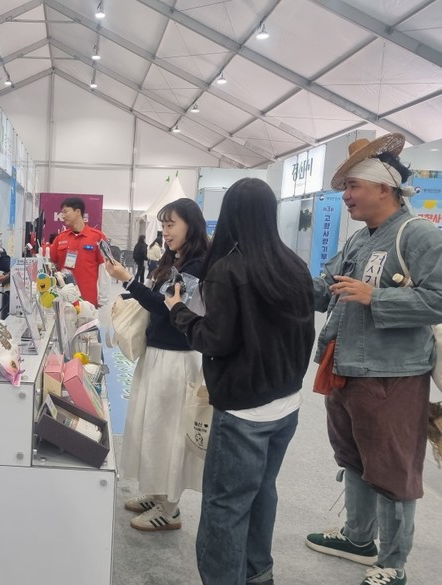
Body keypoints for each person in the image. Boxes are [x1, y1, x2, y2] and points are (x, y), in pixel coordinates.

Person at [304, 134, 442, 585]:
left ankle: (393, 562)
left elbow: (439, 299)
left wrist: (375, 297)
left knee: (392, 467)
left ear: (385, 188)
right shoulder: (360, 239)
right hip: (345, 368)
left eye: (353, 186)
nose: (345, 196)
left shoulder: (417, 234)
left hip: (393, 375)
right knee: (353, 457)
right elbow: (326, 289)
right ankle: (359, 538)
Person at [166, 178, 315, 585]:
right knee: (263, 491)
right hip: (286, 404)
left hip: (243, 411)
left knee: (225, 505)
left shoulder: (227, 270)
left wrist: (178, 311)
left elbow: (215, 339)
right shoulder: (294, 265)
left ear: (229, 214)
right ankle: (258, 573)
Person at [104, 198, 208, 531]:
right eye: (163, 226)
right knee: (152, 426)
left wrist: (128, 281)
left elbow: (167, 307)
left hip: (177, 359)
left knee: (170, 432)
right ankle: (157, 493)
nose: (165, 231)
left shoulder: (197, 265)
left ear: (191, 225)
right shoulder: (175, 259)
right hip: (158, 354)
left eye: (171, 224)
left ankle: (171, 508)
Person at [49, 197, 108, 307]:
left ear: (78, 212)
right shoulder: (60, 238)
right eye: (62, 213)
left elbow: (105, 270)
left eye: (65, 211)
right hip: (65, 301)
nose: (63, 216)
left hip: (88, 301)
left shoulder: (98, 237)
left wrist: (103, 300)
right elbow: (52, 266)